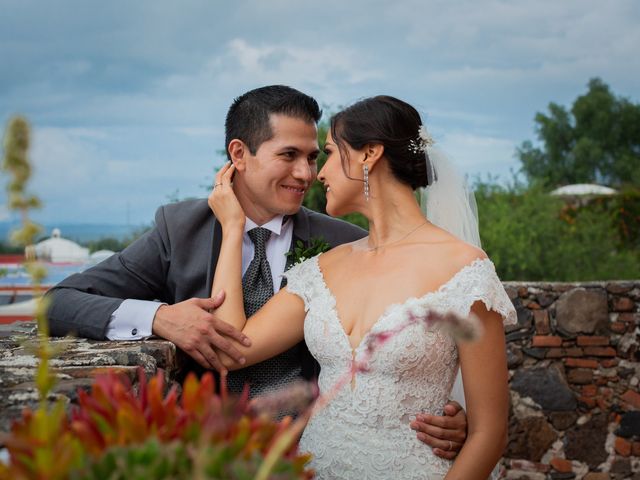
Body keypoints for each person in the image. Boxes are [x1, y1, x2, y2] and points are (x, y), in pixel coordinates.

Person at [46, 85, 467, 459]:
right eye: (288, 155)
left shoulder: (343, 242)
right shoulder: (179, 229)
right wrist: (159, 317)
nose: (305, 174)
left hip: (311, 449)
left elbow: (403, 347)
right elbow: (60, 303)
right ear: (238, 155)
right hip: (205, 450)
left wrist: (449, 415)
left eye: (312, 157)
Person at [208, 94, 516, 479]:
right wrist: (233, 228)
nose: (317, 173)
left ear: (369, 154)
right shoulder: (321, 269)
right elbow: (230, 346)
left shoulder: (464, 270)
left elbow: (489, 433)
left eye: (331, 153)